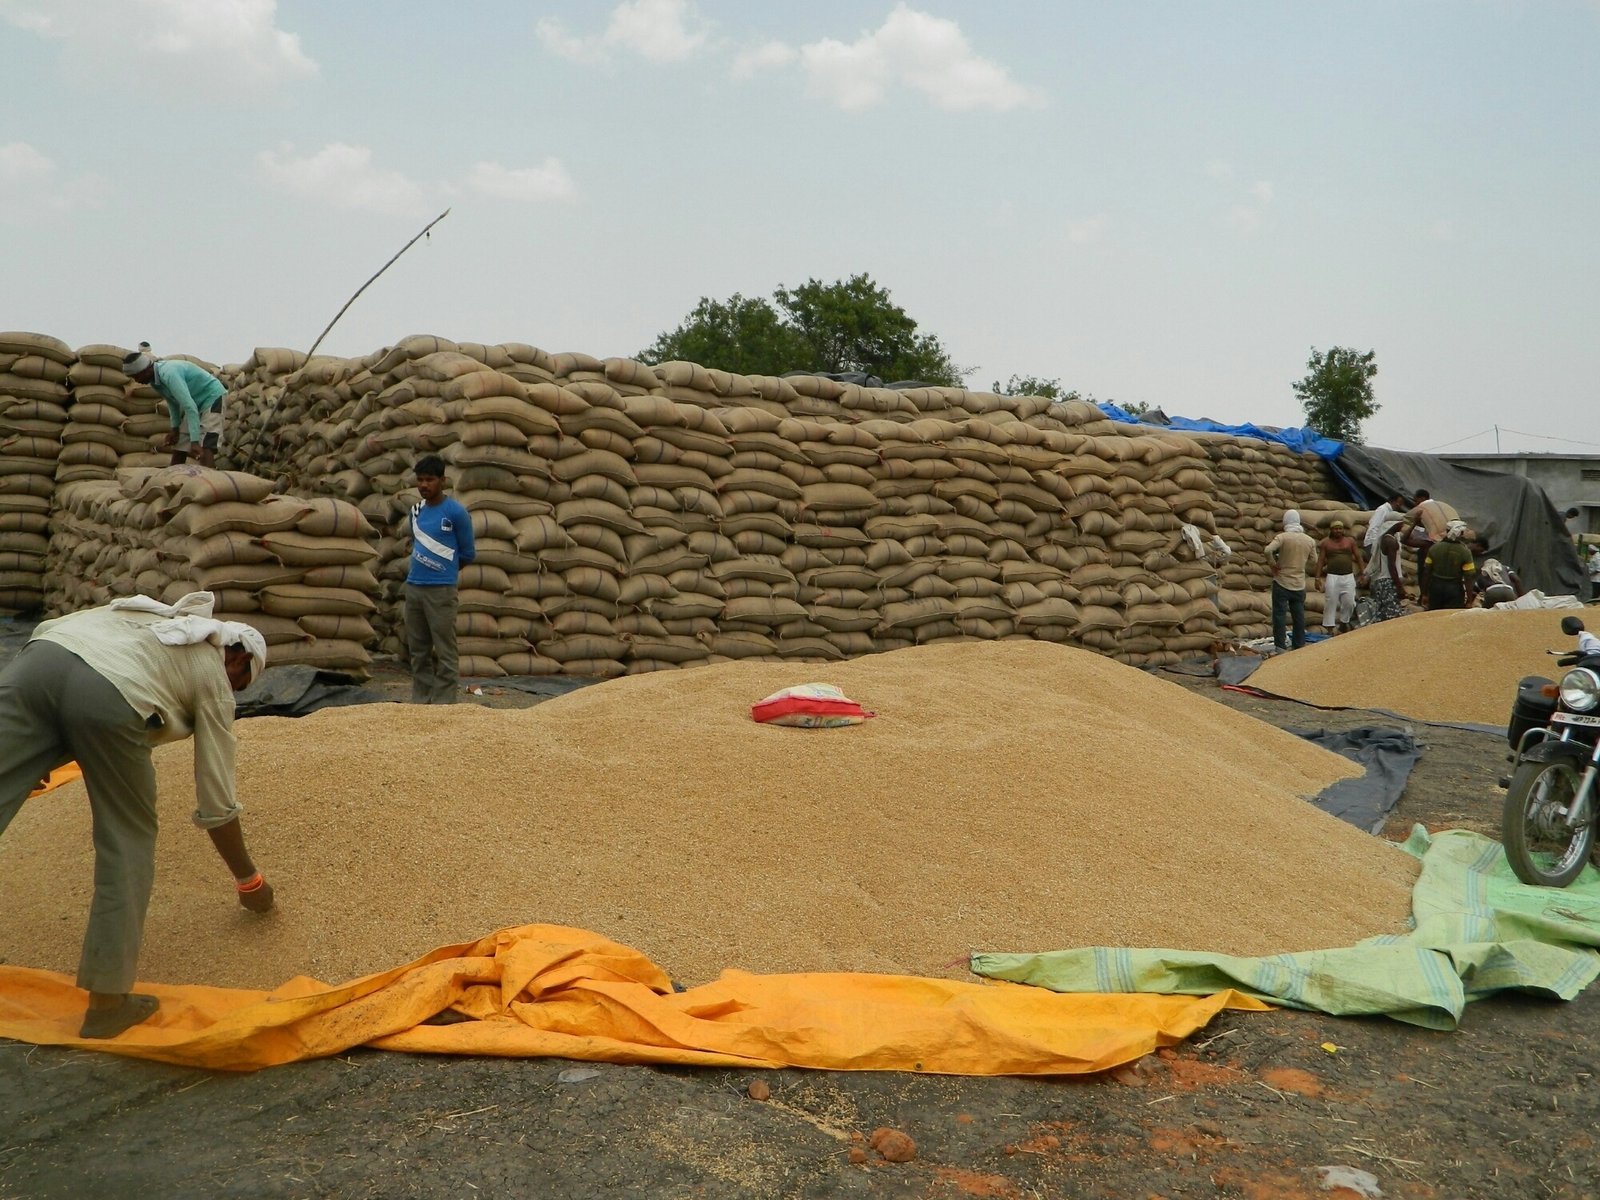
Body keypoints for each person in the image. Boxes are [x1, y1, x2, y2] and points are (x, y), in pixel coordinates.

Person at [0, 592, 273, 1039]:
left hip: (38, 663)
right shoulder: (212, 673)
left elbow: (59, 650)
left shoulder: (140, 618)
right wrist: (250, 881)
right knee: (127, 838)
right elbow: (217, 802)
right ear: (239, 662)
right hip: (112, 694)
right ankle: (108, 1003)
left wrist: (32, 757)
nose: (235, 693)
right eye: (241, 687)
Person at [404, 454, 475, 704]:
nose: (424, 485)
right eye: (420, 480)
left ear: (443, 480)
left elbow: (468, 553)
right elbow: (415, 542)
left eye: (430, 480)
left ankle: (444, 704)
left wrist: (445, 572)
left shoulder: (456, 512)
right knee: (418, 650)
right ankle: (421, 700)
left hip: (441, 590)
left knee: (445, 649)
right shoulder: (415, 512)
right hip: (414, 588)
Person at [121, 350, 227, 469]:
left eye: (136, 376)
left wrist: (194, 442)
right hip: (195, 403)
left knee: (205, 444)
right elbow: (172, 403)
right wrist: (175, 429)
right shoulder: (155, 382)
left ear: (145, 370)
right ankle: (172, 478)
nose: (136, 381)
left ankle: (209, 482)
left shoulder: (169, 374)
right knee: (180, 443)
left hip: (212, 398)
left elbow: (189, 407)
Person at [1265, 510, 1317, 651]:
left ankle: (1280, 646)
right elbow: (1315, 560)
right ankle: (1299, 644)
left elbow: (1267, 550)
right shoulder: (1309, 540)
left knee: (1279, 616)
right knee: (1299, 616)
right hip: (1299, 584)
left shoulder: (1282, 537)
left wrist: (1273, 565)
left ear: (1285, 521)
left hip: (1282, 582)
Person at [1314, 519, 1365, 635]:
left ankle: (1344, 622)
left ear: (1343, 530)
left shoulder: (1350, 542)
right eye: (1335, 528)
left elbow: (1358, 557)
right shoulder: (1326, 543)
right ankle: (1329, 628)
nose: (1338, 531)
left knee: (1350, 602)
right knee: (1330, 602)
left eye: (1340, 528)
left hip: (1348, 577)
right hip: (1333, 577)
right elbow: (1321, 561)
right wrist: (1317, 578)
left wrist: (1363, 573)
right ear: (1331, 530)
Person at [1361, 513, 1407, 623]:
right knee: (1392, 616)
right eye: (1401, 523)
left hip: (1380, 581)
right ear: (1394, 523)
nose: (1402, 525)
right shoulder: (1390, 541)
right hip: (1387, 581)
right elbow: (1392, 566)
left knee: (1381, 614)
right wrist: (1399, 586)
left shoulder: (1386, 539)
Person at [1421, 520, 1477, 610]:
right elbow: (1469, 577)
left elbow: (1426, 572)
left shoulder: (1434, 548)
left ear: (1447, 531)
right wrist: (1469, 600)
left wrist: (1424, 593)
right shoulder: (1465, 552)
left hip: (1435, 587)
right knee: (1451, 618)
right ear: (1461, 533)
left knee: (1433, 616)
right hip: (1454, 590)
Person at [1469, 539, 1523, 608]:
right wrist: (1522, 598)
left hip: (1492, 592)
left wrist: (1469, 603)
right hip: (1508, 591)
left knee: (1488, 614)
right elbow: (1517, 580)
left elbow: (1474, 591)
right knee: (1509, 613)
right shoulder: (1505, 568)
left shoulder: (1483, 572)